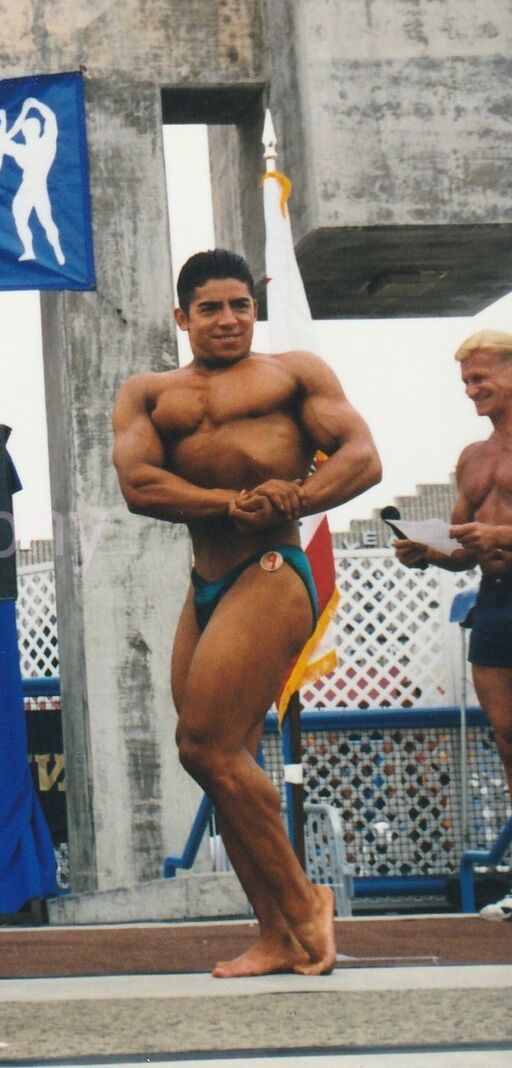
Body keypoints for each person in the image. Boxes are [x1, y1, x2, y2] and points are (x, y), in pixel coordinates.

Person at [112, 248, 382, 977]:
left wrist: (300, 496)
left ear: (253, 309)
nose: (228, 320)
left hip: (272, 568)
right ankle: (275, 935)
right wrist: (227, 503)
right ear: (182, 317)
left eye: (239, 305)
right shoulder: (147, 393)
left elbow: (362, 456)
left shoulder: (294, 373)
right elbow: (139, 484)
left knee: (206, 747)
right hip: (207, 580)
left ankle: (302, 902)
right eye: (210, 308)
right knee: (219, 759)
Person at [392, 329, 512, 921]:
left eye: (483, 377)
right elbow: (464, 545)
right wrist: (428, 552)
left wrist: (502, 536)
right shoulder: (472, 457)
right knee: (508, 736)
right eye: (467, 381)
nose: (473, 390)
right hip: (495, 599)